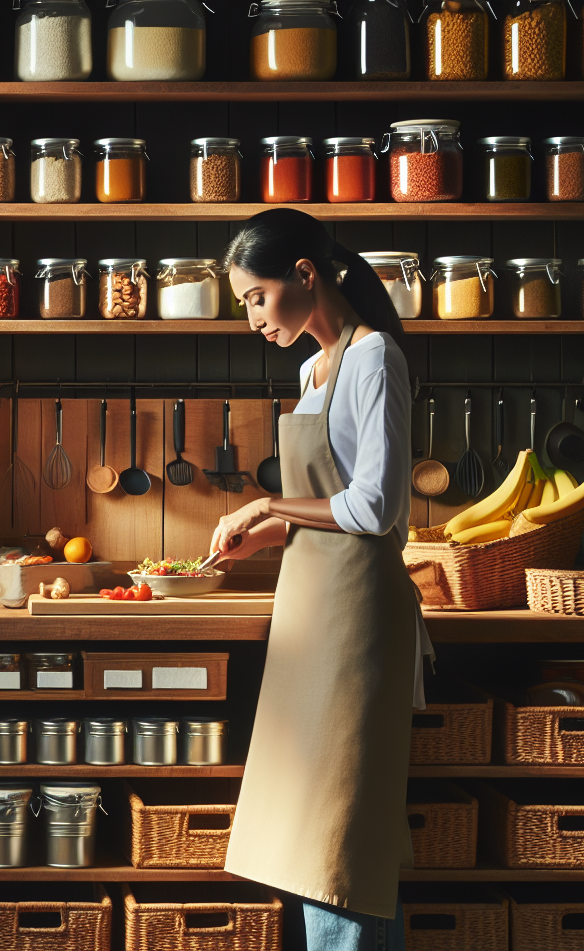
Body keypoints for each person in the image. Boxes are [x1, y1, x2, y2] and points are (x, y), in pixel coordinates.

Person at [209, 209, 433, 951]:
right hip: (309, 614)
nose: (251, 318)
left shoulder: (376, 360)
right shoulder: (313, 369)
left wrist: (269, 501)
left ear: (305, 274)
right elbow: (327, 509)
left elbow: (377, 506)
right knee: (311, 841)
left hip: (357, 618)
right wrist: (262, 537)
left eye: (255, 296)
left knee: (344, 838)